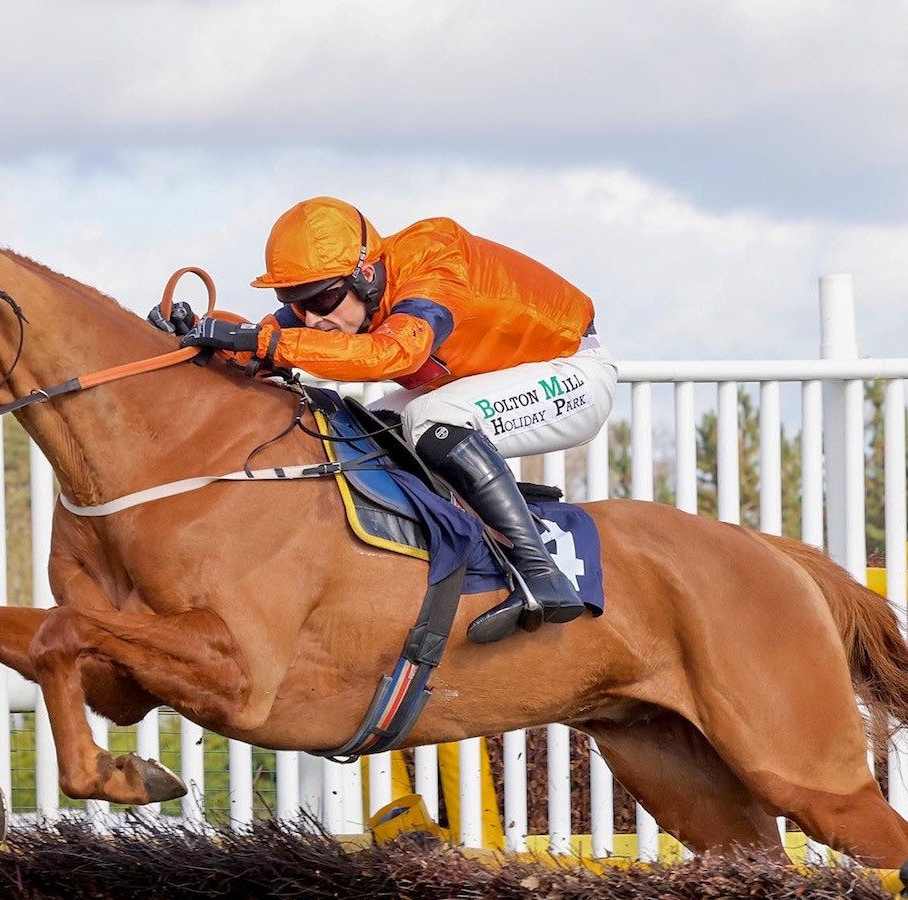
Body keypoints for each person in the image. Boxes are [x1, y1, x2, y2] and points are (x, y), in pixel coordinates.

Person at [176, 198, 616, 644]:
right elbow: (264, 340)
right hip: (482, 379)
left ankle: (541, 573)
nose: (312, 318)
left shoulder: (436, 260)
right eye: (295, 301)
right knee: (372, 427)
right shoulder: (340, 296)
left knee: (430, 418)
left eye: (322, 299)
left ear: (366, 274)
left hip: (572, 372)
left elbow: (397, 352)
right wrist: (198, 333)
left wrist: (262, 342)